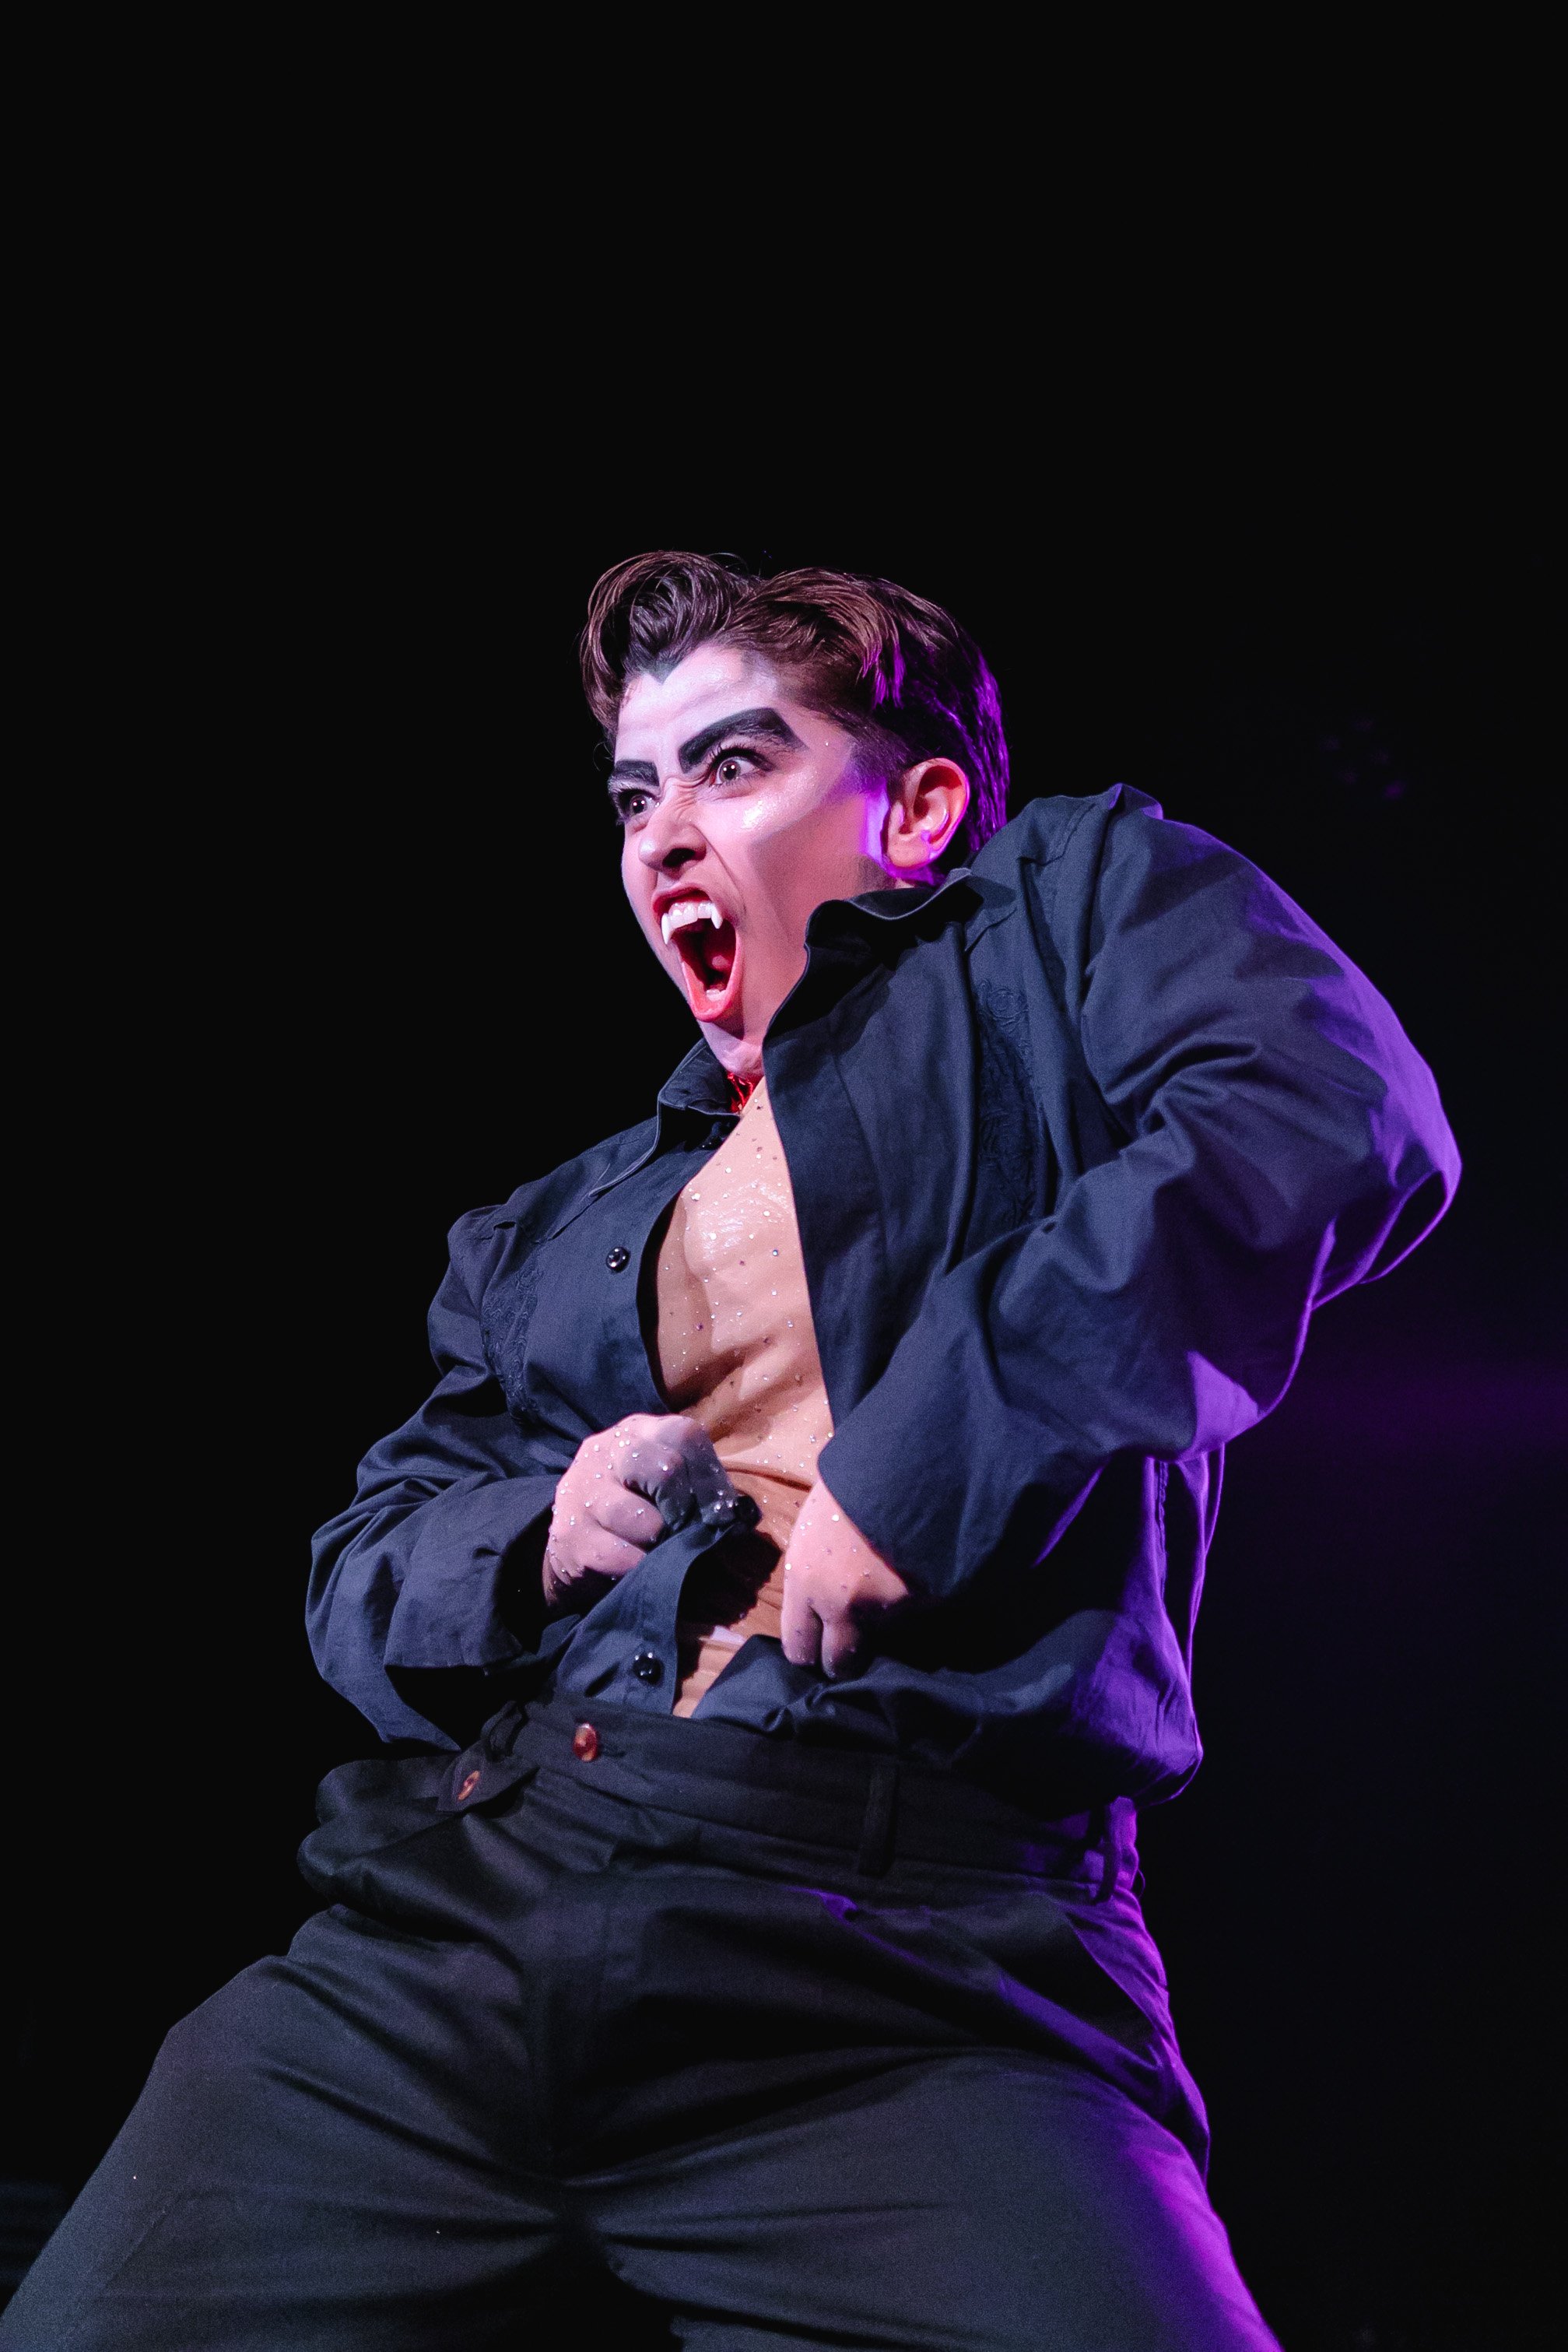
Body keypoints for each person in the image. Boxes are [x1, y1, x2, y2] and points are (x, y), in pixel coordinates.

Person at [2, 554, 1459, 2350]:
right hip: (462, 1923)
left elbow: (1329, 1108)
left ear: (919, 806)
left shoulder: (1057, 922)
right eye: (634, 793)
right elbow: (359, 1563)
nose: (664, 833)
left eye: (735, 766)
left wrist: (929, 1455)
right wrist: (542, 1530)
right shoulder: (553, 1221)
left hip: (912, 1954)